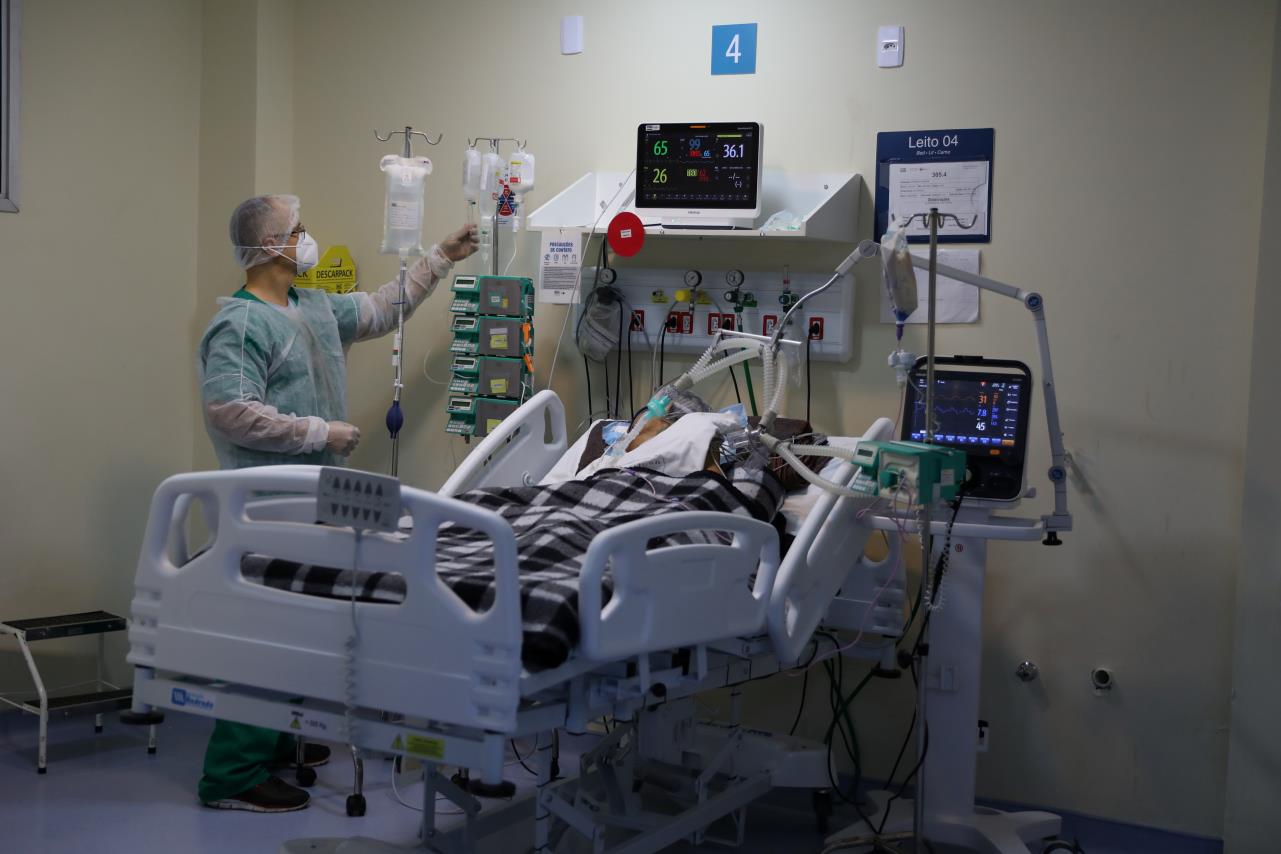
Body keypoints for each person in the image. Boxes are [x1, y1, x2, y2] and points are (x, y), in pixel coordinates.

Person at [195, 193, 477, 812]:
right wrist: (319, 433)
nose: (307, 236)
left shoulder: (310, 307)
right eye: (298, 230)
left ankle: (275, 744)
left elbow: (381, 308)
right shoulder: (240, 324)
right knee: (265, 639)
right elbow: (229, 411)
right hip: (262, 508)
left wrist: (441, 257)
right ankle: (231, 777)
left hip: (310, 501)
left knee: (299, 630)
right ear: (269, 246)